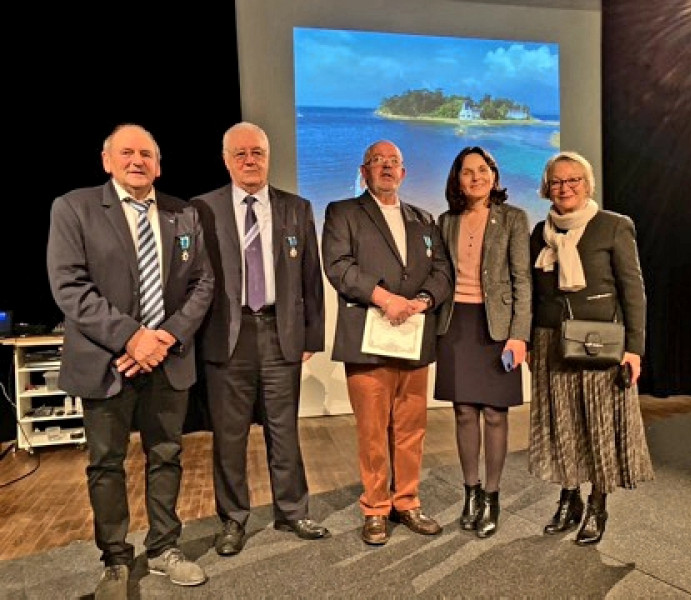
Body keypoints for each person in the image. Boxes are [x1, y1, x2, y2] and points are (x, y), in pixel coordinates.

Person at [46, 123, 214, 599]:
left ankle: (164, 549)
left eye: (146, 153)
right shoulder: (73, 208)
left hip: (168, 359)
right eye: (127, 152)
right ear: (107, 160)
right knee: (106, 463)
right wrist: (131, 339)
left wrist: (163, 338)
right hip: (107, 361)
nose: (137, 160)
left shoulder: (185, 214)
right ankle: (116, 560)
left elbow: (204, 284)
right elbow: (70, 286)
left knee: (167, 455)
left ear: (158, 164)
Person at [190, 121, 329, 557]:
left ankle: (293, 510)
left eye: (258, 153)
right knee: (229, 437)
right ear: (226, 160)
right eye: (241, 154)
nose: (250, 161)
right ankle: (232, 520)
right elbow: (192, 277)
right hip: (226, 337)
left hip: (280, 332)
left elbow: (310, 277)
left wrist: (312, 335)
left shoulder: (297, 208)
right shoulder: (202, 208)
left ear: (268, 157)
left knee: (284, 431)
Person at [321, 140, 453, 546]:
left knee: (412, 429)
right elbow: (339, 266)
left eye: (393, 162)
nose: (386, 168)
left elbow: (442, 270)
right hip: (368, 339)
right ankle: (376, 507)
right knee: (374, 430)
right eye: (377, 162)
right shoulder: (343, 212)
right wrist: (386, 299)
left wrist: (422, 301)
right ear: (364, 172)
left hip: (413, 339)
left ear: (404, 172)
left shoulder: (424, 218)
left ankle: (407, 501)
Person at [527, 150, 654, 546]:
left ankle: (598, 503)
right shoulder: (539, 232)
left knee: (598, 425)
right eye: (557, 181)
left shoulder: (614, 226)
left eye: (573, 180)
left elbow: (634, 291)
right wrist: (531, 341)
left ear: (587, 185)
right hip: (551, 341)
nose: (565, 188)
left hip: (599, 342)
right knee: (562, 425)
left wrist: (634, 348)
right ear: (547, 188)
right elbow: (534, 293)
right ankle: (570, 498)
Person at [435, 146, 531, 538]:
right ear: (457, 179)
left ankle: (492, 496)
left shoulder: (513, 219)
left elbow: (522, 280)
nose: (475, 177)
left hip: (498, 327)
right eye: (466, 171)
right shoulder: (446, 221)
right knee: (463, 412)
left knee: (495, 413)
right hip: (457, 323)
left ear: (493, 174)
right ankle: (470, 492)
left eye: (482, 170)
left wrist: (519, 335)